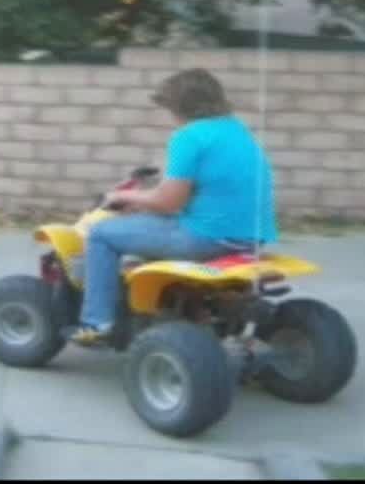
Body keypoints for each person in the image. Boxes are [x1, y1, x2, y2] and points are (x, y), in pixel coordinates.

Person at [68, 68, 278, 346]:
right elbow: (208, 189)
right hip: (249, 239)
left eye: (169, 108)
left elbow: (168, 202)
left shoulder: (188, 137)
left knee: (101, 234)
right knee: (146, 226)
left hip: (205, 238)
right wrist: (149, 199)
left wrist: (125, 197)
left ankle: (97, 323)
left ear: (180, 106)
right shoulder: (236, 130)